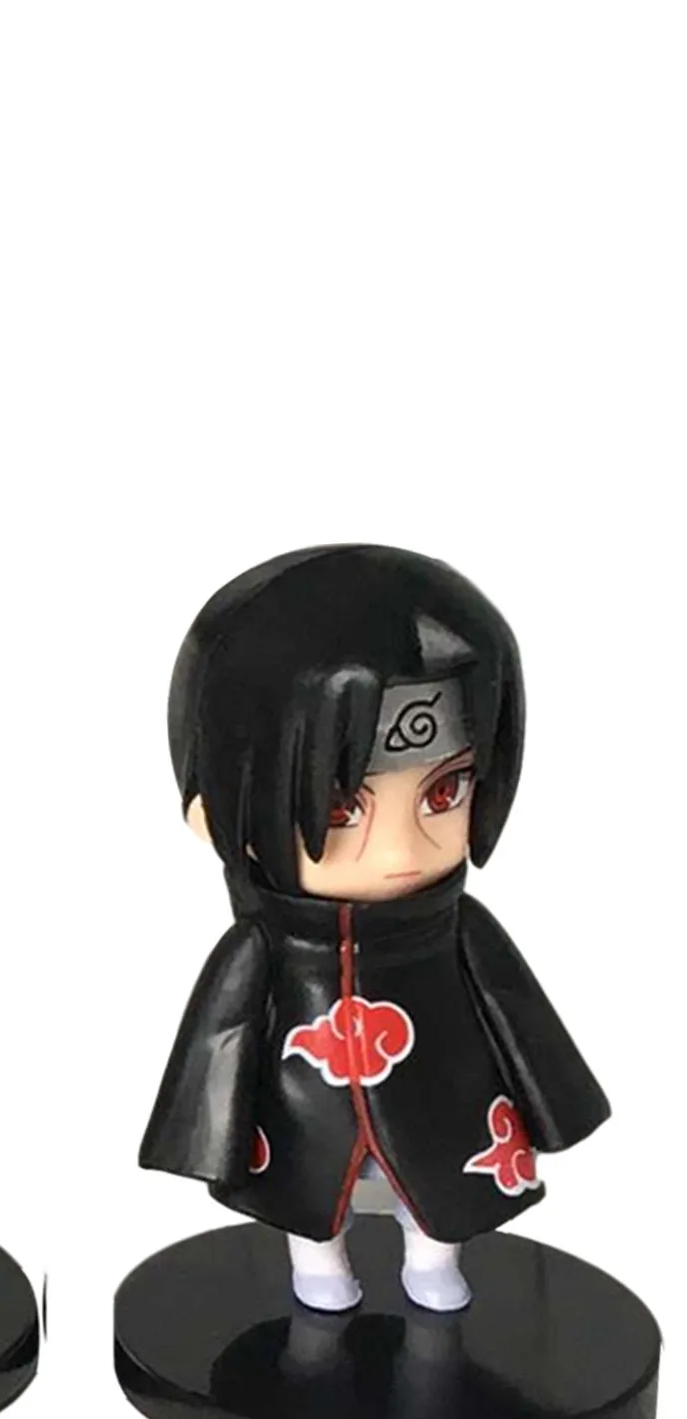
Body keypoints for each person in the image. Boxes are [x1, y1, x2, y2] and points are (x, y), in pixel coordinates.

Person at [141, 545, 609, 1312]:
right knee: (307, 1199)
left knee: (441, 1192)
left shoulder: (459, 931)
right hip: (302, 1110)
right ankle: (317, 1267)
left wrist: (557, 1102)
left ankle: (433, 1262)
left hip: (443, 1098)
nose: (399, 851)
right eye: (340, 810)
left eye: (444, 792)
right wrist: (202, 1134)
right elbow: (219, 1037)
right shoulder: (263, 950)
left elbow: (518, 1014)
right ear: (216, 813)